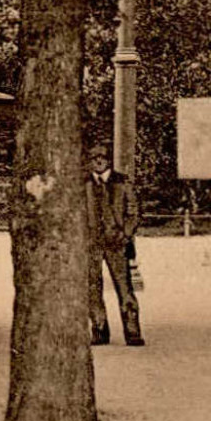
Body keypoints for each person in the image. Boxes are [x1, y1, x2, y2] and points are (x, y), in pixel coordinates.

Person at [86, 144, 143, 346]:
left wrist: (125, 234)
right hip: (91, 244)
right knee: (92, 287)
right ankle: (99, 328)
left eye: (102, 157)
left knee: (124, 287)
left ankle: (132, 330)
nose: (99, 161)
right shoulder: (83, 185)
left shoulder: (121, 182)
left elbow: (133, 212)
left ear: (109, 160)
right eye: (94, 158)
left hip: (116, 243)